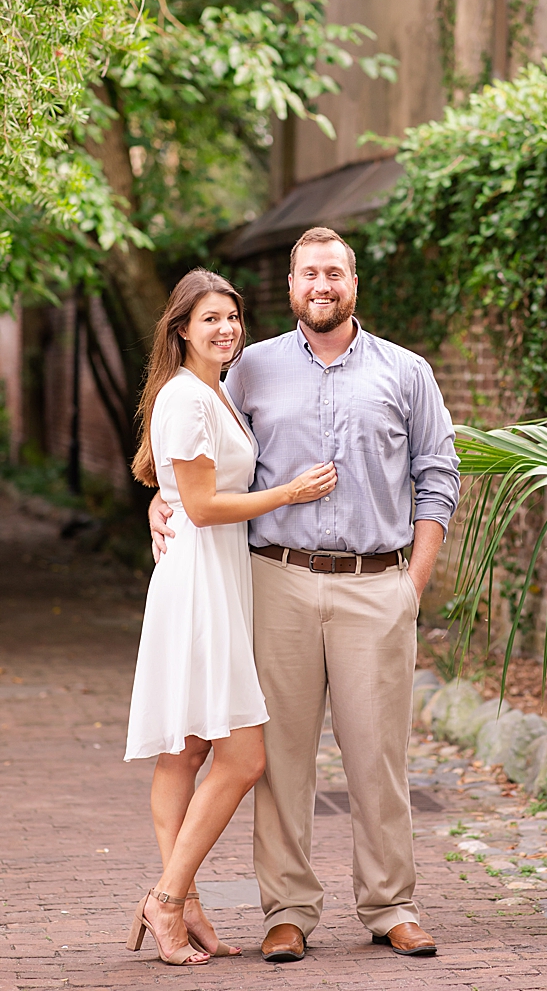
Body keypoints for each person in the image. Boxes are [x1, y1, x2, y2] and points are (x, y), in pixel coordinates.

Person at [151, 227, 460, 962]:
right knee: (279, 758)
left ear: (354, 282)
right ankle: (286, 910)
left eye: (334, 273)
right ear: (289, 286)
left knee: (378, 756)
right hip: (276, 582)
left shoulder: (406, 371)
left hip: (374, 583)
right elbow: (193, 456)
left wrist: (411, 584)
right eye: (308, 274)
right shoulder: (248, 370)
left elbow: (438, 473)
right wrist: (160, 503)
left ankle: (390, 906)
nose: (321, 285)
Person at [125, 269, 336, 965]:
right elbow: (205, 504)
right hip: (199, 584)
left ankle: (179, 905)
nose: (225, 329)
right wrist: (288, 493)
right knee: (240, 756)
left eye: (233, 318)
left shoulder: (213, 390)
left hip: (218, 575)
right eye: (210, 319)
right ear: (181, 328)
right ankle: (168, 898)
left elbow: (176, 493)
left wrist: (167, 503)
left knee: (186, 749)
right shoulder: (187, 396)